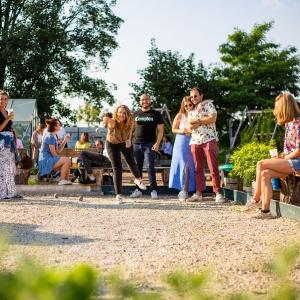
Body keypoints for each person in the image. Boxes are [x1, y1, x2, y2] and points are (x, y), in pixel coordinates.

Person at [244, 93, 300, 219]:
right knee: (265, 174)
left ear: (284, 107)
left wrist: (284, 159)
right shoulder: (288, 124)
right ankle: (265, 211)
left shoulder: (298, 123)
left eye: (277, 108)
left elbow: (298, 151)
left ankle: (255, 200)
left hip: (297, 162)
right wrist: (280, 158)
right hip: (290, 162)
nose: (275, 111)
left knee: (261, 163)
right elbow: (288, 150)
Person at [187, 87, 225, 203]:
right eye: (192, 97)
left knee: (213, 166)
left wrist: (198, 120)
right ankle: (198, 193)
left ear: (201, 96)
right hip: (195, 141)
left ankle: (218, 193)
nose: (193, 99)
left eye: (195, 96)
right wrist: (203, 119)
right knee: (198, 168)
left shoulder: (208, 105)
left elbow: (213, 118)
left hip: (209, 139)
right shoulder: (191, 111)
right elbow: (190, 125)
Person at [103, 105, 146, 204]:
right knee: (117, 168)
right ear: (116, 113)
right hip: (112, 145)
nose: (121, 114)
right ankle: (119, 196)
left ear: (127, 114)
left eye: (124, 113)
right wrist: (105, 120)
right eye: (120, 112)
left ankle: (138, 179)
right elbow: (107, 121)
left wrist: (129, 140)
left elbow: (130, 131)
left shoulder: (130, 122)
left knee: (131, 160)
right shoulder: (113, 122)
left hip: (124, 142)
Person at [130, 93, 164, 199]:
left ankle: (153, 190)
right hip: (136, 144)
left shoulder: (156, 114)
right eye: (142, 100)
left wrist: (157, 143)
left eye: (147, 99)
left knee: (150, 167)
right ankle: (138, 189)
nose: (145, 101)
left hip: (150, 144)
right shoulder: (135, 114)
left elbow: (161, 131)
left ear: (150, 100)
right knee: (137, 168)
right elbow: (130, 129)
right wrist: (128, 141)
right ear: (140, 101)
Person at [169, 96, 196, 200]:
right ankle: (183, 190)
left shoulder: (197, 114)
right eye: (186, 105)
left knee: (193, 165)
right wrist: (183, 131)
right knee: (184, 165)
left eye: (190, 105)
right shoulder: (180, 115)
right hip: (181, 142)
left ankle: (194, 190)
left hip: (195, 141)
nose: (188, 107)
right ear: (183, 106)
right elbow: (173, 129)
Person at [0, 90, 21, 199]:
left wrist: (13, 132)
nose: (3, 101)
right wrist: (8, 119)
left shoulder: (8, 112)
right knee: (3, 168)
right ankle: (2, 193)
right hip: (2, 143)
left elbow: (8, 127)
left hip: (10, 142)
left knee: (10, 167)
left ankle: (11, 193)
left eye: (5, 99)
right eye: (1, 99)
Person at [38, 118, 72, 185]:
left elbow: (58, 151)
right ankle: (62, 180)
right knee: (67, 160)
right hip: (45, 161)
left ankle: (66, 179)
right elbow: (54, 154)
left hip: (48, 159)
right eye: (59, 124)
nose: (60, 126)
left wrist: (65, 140)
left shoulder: (54, 136)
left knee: (66, 161)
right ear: (54, 127)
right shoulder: (50, 136)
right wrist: (62, 159)